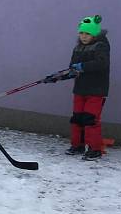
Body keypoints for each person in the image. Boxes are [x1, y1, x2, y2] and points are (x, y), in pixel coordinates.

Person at [44, 15, 110, 160]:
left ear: (94, 34)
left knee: (90, 119)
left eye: (87, 33)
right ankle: (78, 145)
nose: (84, 36)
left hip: (96, 90)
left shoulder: (101, 46)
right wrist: (57, 77)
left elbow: (101, 64)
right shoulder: (78, 48)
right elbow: (73, 70)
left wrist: (83, 67)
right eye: (81, 33)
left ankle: (94, 149)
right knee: (77, 118)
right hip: (80, 89)